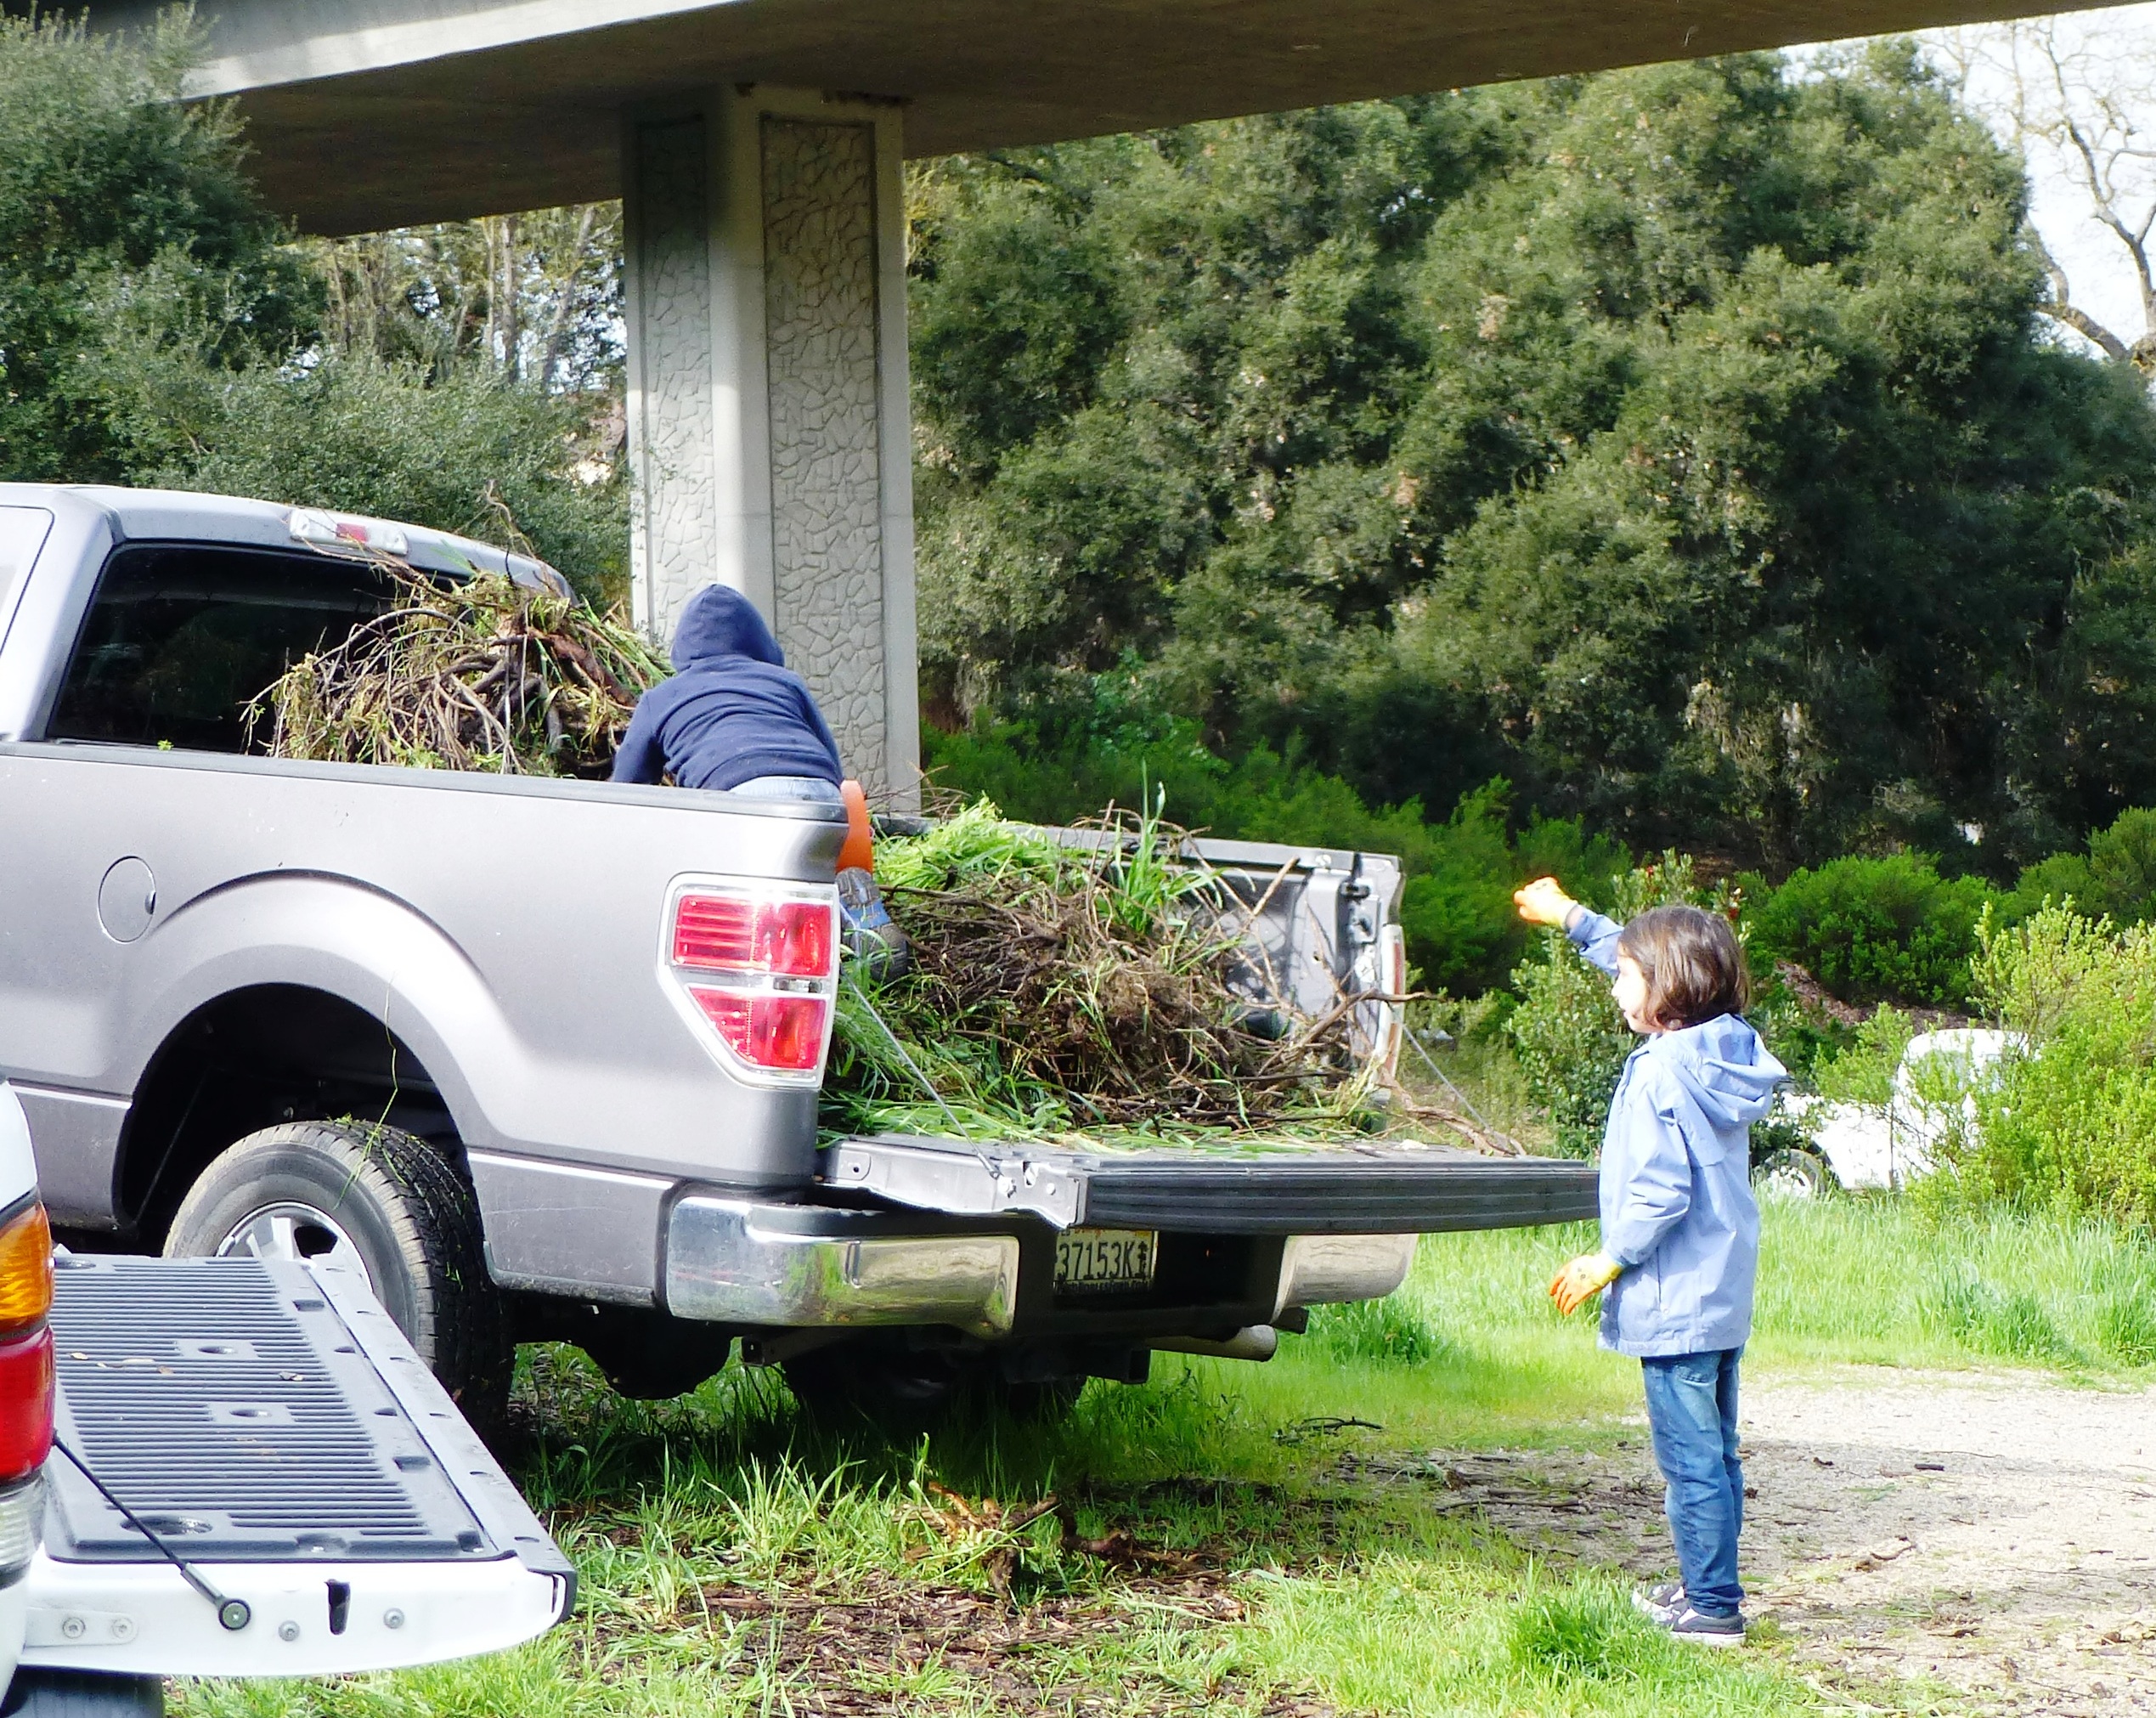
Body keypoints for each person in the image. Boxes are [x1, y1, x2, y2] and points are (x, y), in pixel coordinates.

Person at [1513, 876, 1784, 1647]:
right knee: (1717, 1454)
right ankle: (1709, 1586)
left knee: (1690, 1461)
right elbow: (1635, 959)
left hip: (1673, 1301)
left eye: (1628, 976)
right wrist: (1571, 918)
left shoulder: (1661, 1070)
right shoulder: (1720, 1048)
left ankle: (1713, 1610)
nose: (1615, 987)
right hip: (1719, 1293)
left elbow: (1658, 1192)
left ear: (1664, 989)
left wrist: (1609, 1258)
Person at [614, 584, 906, 970]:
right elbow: (832, 765)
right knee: (810, 866)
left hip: (740, 800)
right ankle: (854, 914)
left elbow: (625, 793)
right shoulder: (785, 682)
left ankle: (775, 954)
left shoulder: (661, 697)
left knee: (746, 894)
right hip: (819, 796)